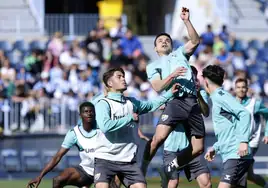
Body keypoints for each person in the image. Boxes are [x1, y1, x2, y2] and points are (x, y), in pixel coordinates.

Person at [94, 67, 179, 188]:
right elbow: (105, 126)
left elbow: (150, 105)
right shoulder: (103, 103)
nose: (123, 78)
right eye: (119, 76)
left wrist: (169, 94)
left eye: (123, 76)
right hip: (105, 159)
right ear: (110, 83)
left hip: (128, 160)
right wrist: (129, 118)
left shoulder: (131, 102)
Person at [143, 7, 204, 175]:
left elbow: (195, 40)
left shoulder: (180, 54)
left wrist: (186, 21)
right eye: (160, 40)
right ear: (155, 48)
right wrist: (172, 76)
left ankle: (173, 165)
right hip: (175, 101)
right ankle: (142, 167)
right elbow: (157, 87)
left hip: (191, 101)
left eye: (167, 39)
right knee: (158, 138)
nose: (164, 41)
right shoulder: (153, 66)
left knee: (198, 148)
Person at [27, 102, 105, 188]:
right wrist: (40, 176)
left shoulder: (104, 127)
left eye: (91, 111)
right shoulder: (74, 133)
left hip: (106, 169)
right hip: (86, 171)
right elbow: (57, 156)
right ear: (80, 115)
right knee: (58, 180)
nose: (89, 114)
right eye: (86, 111)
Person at [161, 66, 211, 188]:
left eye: (195, 78)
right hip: (172, 147)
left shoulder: (202, 93)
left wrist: (197, 93)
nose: (193, 80)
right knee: (172, 183)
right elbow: (161, 106)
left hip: (192, 148)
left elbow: (205, 112)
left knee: (206, 182)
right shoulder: (173, 91)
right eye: (191, 78)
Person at [203, 65, 252, 188]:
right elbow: (231, 126)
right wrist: (216, 147)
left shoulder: (220, 96)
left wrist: (243, 141)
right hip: (234, 154)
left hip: (235, 154)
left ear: (206, 81)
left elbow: (244, 113)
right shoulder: (220, 97)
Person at [234, 78, 268, 187]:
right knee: (250, 175)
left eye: (243, 87)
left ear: (247, 88)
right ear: (235, 89)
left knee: (240, 172)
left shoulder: (255, 104)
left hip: (251, 142)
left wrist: (267, 133)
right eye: (238, 87)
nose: (241, 90)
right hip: (236, 142)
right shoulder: (231, 103)